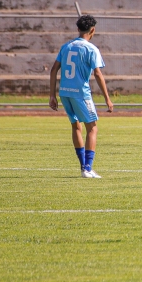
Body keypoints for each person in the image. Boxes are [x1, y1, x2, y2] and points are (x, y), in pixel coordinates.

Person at [49, 14, 113, 178]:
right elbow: (97, 74)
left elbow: (54, 69)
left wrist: (52, 95)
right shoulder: (91, 49)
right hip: (81, 94)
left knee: (76, 126)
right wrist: (107, 98)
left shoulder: (66, 46)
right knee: (92, 127)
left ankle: (84, 167)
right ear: (93, 30)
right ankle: (87, 168)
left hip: (65, 92)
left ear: (78, 29)